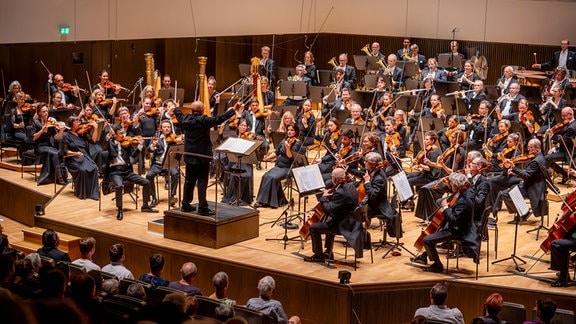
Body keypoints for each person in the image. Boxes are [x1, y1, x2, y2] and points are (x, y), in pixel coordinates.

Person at [175, 100, 236, 215]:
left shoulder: (185, 119)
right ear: (202, 110)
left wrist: (176, 107)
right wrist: (233, 110)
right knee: (202, 182)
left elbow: (179, 115)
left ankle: (185, 204)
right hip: (202, 158)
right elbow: (219, 119)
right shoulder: (204, 120)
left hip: (190, 157)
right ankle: (202, 207)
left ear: (192, 110)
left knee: (189, 181)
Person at [413, 173, 473, 273]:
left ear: (456, 186)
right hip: (454, 226)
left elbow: (454, 221)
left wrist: (445, 208)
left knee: (427, 240)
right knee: (432, 234)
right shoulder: (460, 193)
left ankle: (437, 265)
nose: (450, 185)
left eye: (452, 184)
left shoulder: (463, 201)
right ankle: (424, 256)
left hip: (458, 230)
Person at [304, 167, 362, 262]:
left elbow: (328, 209)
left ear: (334, 179)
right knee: (329, 220)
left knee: (313, 228)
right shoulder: (351, 186)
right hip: (354, 222)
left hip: (344, 225)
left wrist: (323, 198)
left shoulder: (340, 193)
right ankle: (328, 252)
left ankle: (319, 256)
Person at [493, 138, 548, 223]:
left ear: (537, 148)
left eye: (530, 147)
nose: (528, 149)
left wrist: (514, 167)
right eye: (528, 147)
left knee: (506, 194)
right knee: (511, 190)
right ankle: (522, 213)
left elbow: (526, 176)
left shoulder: (536, 161)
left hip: (532, 187)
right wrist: (515, 172)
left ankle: (522, 214)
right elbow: (529, 173)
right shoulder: (540, 157)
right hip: (531, 183)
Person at [107, 126, 157, 220]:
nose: (124, 135)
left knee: (146, 182)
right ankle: (120, 209)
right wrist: (109, 136)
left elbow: (133, 156)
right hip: (115, 172)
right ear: (115, 134)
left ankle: (145, 206)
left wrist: (140, 146)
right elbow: (106, 146)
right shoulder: (110, 143)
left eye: (123, 133)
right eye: (121, 133)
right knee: (118, 186)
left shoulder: (126, 144)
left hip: (127, 171)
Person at [254, 123, 305, 208]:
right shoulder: (284, 140)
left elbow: (290, 156)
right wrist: (268, 158)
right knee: (266, 176)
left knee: (273, 177)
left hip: (288, 167)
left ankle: (264, 201)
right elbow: (276, 152)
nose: (289, 132)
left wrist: (288, 147)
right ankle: (266, 201)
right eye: (288, 130)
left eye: (292, 130)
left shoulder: (297, 143)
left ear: (296, 132)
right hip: (279, 165)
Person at [362, 152, 401, 238]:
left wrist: (367, 182)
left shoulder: (378, 178)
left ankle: (360, 237)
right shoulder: (375, 171)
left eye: (366, 161)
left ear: (372, 165)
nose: (364, 163)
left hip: (377, 207)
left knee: (354, 211)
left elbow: (372, 195)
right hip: (374, 203)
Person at [62, 116, 100, 200]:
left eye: (79, 121)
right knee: (82, 170)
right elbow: (65, 151)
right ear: (71, 124)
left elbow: (93, 141)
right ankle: (83, 193)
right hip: (73, 158)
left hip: (85, 156)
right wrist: (75, 153)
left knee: (93, 168)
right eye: (76, 122)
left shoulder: (83, 133)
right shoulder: (66, 135)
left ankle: (93, 193)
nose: (79, 123)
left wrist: (95, 129)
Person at [145, 120, 181, 208]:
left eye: (168, 127)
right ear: (161, 129)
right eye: (165, 127)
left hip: (170, 163)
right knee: (149, 175)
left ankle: (172, 196)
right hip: (158, 163)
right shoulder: (156, 138)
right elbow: (149, 150)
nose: (167, 128)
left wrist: (179, 143)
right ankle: (153, 197)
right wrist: (153, 145)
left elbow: (179, 150)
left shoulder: (174, 138)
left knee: (176, 173)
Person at [32, 103, 67, 185]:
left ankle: (59, 175)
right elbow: (33, 138)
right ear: (39, 113)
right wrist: (41, 131)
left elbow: (55, 137)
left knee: (58, 152)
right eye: (43, 111)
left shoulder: (51, 122)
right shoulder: (36, 122)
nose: (46, 113)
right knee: (54, 153)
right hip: (39, 146)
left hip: (49, 145)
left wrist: (61, 131)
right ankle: (59, 177)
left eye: (47, 111)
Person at [545, 107, 576, 184]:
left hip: (570, 154)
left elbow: (564, 141)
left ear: (570, 114)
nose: (562, 118)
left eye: (564, 115)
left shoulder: (572, 127)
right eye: (562, 115)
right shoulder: (567, 124)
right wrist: (554, 149)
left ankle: (566, 175)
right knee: (547, 158)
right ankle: (564, 174)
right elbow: (560, 135)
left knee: (547, 158)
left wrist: (552, 135)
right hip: (564, 150)